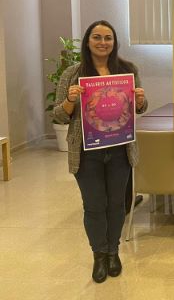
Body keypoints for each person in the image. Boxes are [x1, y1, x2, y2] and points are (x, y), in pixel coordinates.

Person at [53, 20, 147, 283]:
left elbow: (139, 108)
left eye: (108, 38)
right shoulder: (72, 74)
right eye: (97, 37)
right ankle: (99, 254)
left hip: (119, 150)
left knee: (117, 204)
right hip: (87, 152)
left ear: (114, 42)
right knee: (94, 205)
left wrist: (140, 100)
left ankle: (113, 251)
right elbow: (59, 115)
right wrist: (70, 100)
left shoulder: (127, 70)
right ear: (87, 41)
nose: (103, 42)